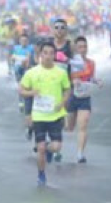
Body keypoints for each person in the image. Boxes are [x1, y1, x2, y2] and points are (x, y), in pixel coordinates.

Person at [19, 42, 72, 186]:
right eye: (45, 53)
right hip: (39, 116)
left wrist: (63, 102)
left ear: (54, 55)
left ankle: (48, 149)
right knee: (40, 148)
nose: (48, 56)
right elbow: (21, 90)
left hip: (55, 115)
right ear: (40, 54)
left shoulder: (61, 72)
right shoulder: (32, 72)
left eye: (51, 53)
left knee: (56, 147)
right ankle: (41, 175)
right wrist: (31, 93)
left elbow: (67, 90)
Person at [66, 36, 98, 164]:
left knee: (83, 125)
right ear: (75, 48)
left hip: (85, 97)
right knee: (69, 127)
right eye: (80, 47)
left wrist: (97, 81)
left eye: (85, 46)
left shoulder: (91, 63)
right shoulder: (71, 63)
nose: (83, 49)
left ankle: (80, 154)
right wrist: (73, 81)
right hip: (72, 96)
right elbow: (64, 79)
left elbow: (91, 78)